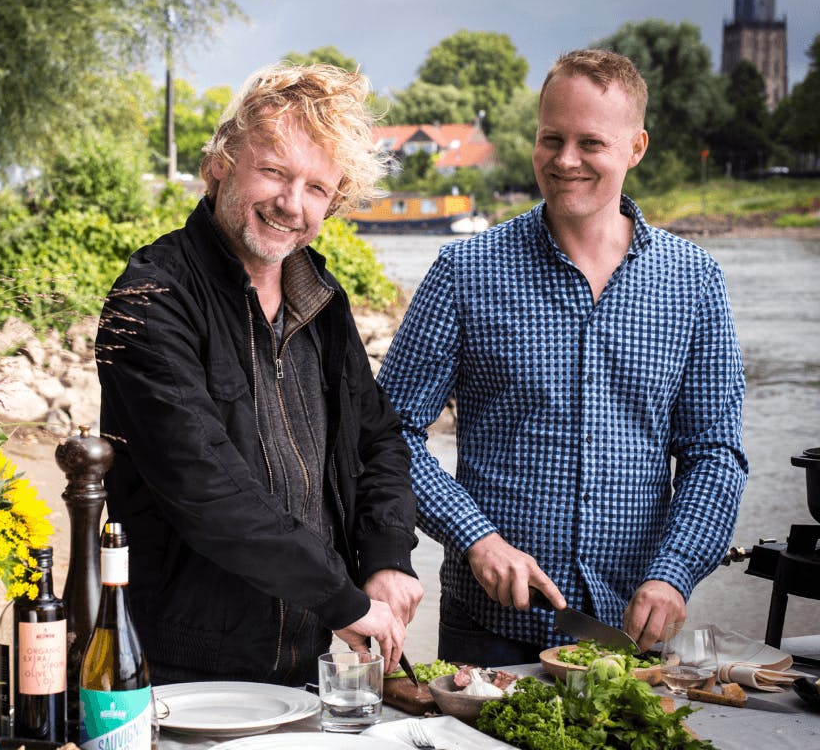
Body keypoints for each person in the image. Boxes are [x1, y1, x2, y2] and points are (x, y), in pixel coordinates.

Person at [377, 49, 747, 665]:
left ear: (635, 148)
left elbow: (715, 453)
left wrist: (675, 571)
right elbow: (388, 433)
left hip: (632, 632)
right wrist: (476, 538)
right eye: (552, 138)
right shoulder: (465, 272)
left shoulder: (694, 281)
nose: (565, 160)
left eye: (590, 142)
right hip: (488, 632)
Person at [95, 63, 423, 686]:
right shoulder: (150, 297)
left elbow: (378, 440)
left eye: (317, 188)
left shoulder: (323, 300)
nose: (291, 204)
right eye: (274, 171)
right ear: (221, 162)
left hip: (308, 662)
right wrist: (347, 603)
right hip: (171, 667)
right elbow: (208, 490)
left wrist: (387, 558)